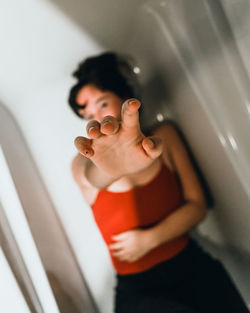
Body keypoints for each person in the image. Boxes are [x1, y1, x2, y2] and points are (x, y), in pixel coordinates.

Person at [69, 52, 249, 313]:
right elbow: (93, 178)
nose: (96, 118)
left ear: (124, 97)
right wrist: (112, 168)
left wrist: (151, 239)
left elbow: (197, 206)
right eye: (87, 114)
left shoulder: (163, 137)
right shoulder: (82, 161)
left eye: (102, 104)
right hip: (138, 290)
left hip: (191, 265)